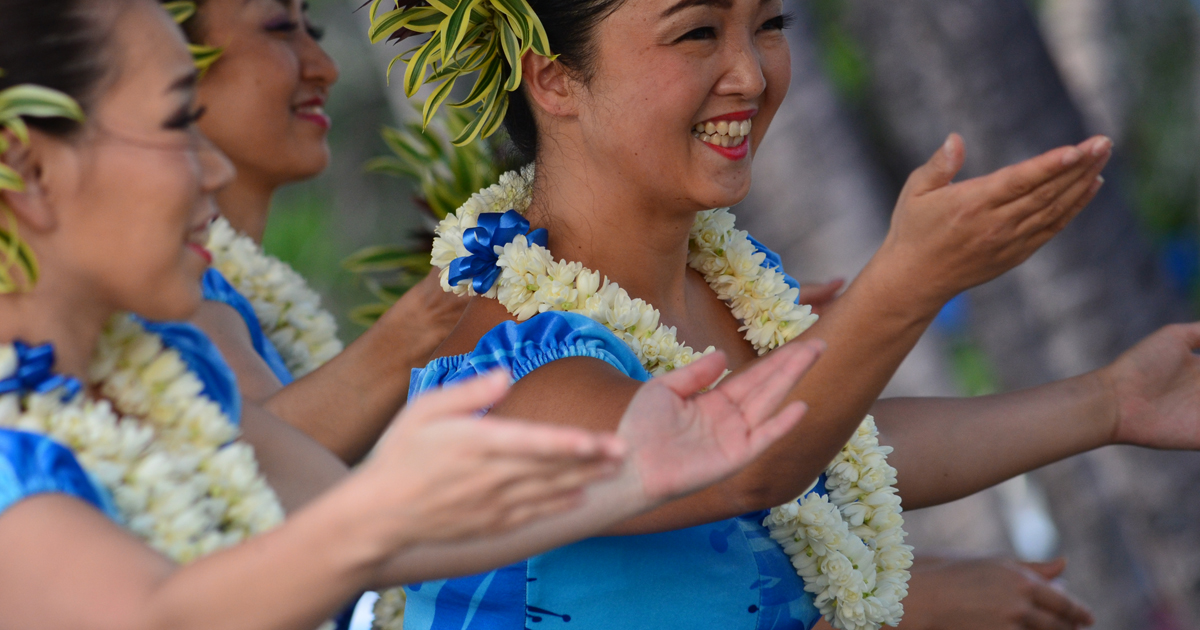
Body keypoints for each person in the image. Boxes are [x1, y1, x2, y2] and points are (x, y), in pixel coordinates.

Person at [360, 0, 1200, 628]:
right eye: (697, 32)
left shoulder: (724, 281)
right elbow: (736, 464)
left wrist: (1112, 402)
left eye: (768, 23)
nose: (753, 75)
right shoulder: (501, 342)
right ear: (552, 77)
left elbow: (837, 449)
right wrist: (908, 280)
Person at [0, 1, 828, 627]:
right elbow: (159, 615)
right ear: (26, 166)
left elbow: (387, 536)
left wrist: (627, 476)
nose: (211, 166)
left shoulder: (174, 372)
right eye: (179, 121)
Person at [165, 0, 468, 465]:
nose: (325, 69)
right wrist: (429, 316)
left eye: (314, 32)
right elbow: (250, 469)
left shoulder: (237, 292)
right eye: (280, 28)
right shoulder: (161, 289)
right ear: (165, 58)